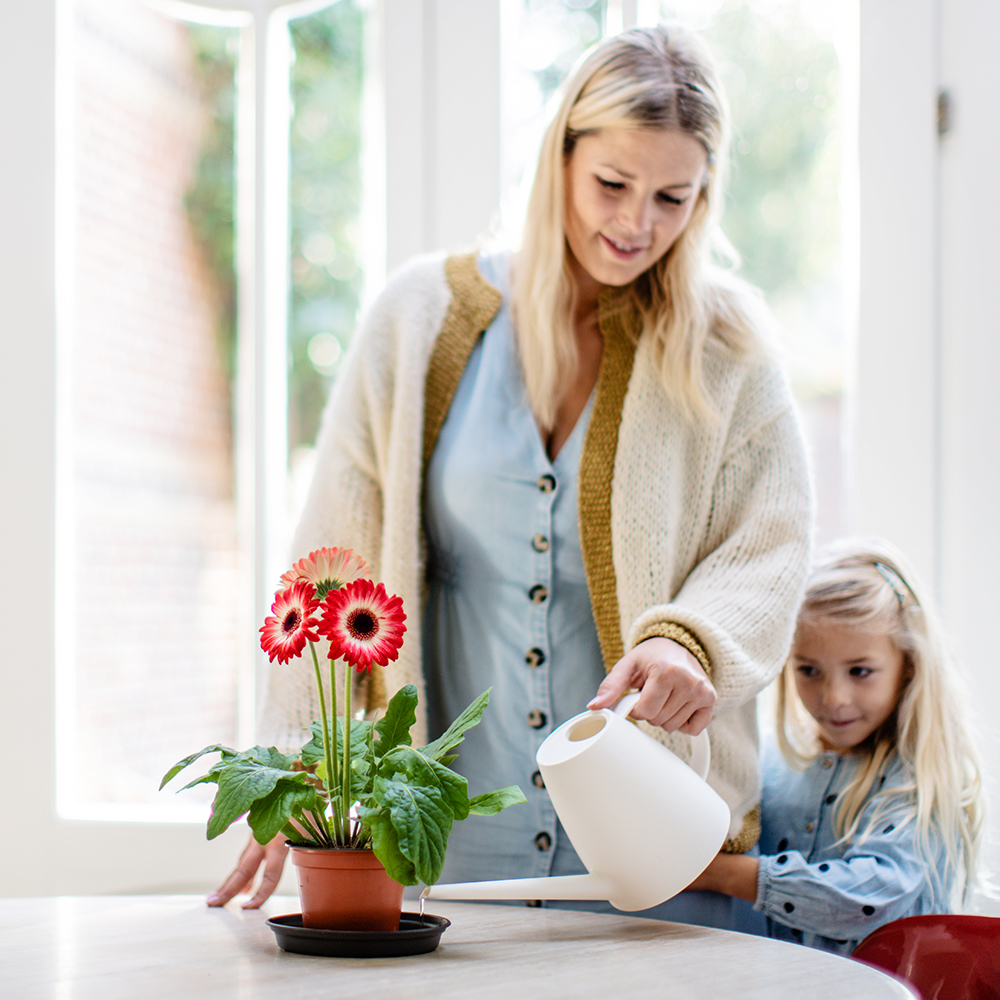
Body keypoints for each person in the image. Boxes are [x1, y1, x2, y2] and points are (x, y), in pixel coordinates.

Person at [207, 23, 813, 926]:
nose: (635, 224)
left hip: (655, 855)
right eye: (612, 183)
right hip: (447, 845)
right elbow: (331, 565)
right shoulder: (417, 320)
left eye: (673, 197)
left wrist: (690, 643)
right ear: (559, 158)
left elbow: (770, 545)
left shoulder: (729, 350)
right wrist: (300, 759)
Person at [687, 538, 986, 953]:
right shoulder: (771, 764)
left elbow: (867, 899)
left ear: (909, 666)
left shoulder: (921, 778)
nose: (833, 698)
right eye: (809, 670)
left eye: (860, 671)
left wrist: (721, 874)